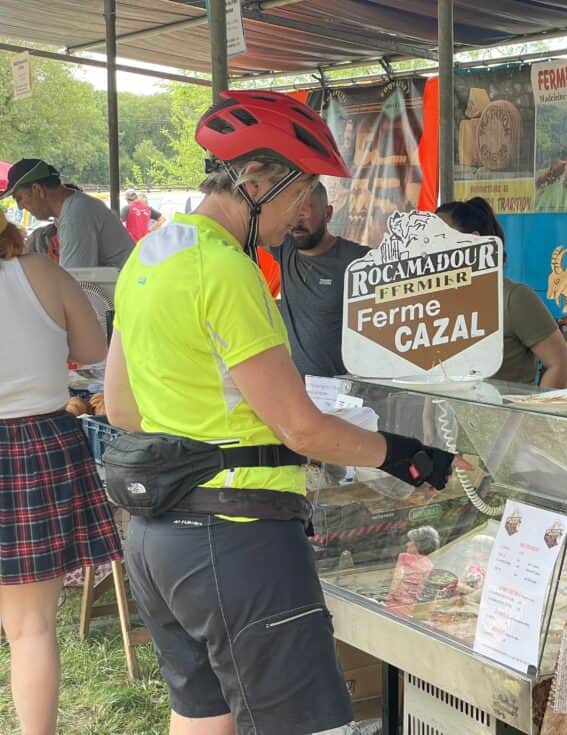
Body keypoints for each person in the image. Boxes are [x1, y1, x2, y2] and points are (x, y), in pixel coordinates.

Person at [104, 89, 466, 735]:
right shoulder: (225, 269)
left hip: (158, 538)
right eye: (300, 191)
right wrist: (404, 454)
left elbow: (122, 407)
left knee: (201, 714)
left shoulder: (149, 255)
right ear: (253, 180)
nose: (303, 210)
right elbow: (299, 426)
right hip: (238, 535)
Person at [0, 213, 123, 735]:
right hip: (35, 447)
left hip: (31, 449)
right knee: (30, 629)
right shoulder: (42, 273)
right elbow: (95, 352)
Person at [436, 197, 567, 388]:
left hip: (504, 407)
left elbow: (560, 364)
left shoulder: (514, 298)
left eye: (440, 237)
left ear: (472, 242)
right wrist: (428, 408)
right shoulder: (435, 302)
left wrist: (533, 408)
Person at [270, 181, 369, 378]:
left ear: (328, 213)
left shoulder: (358, 260)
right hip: (293, 388)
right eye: (291, 211)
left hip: (341, 388)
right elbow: (252, 220)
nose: (297, 221)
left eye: (304, 212)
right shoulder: (285, 248)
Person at [0, 160, 134, 269]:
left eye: (19, 198)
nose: (20, 207)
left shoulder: (76, 215)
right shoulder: (73, 209)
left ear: (37, 189)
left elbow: (75, 280)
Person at [385, 526, 440, 615]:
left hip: (394, 606)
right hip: (411, 610)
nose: (407, 544)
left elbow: (396, 581)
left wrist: (387, 599)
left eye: (410, 541)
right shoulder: (430, 566)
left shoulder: (405, 557)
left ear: (418, 544)